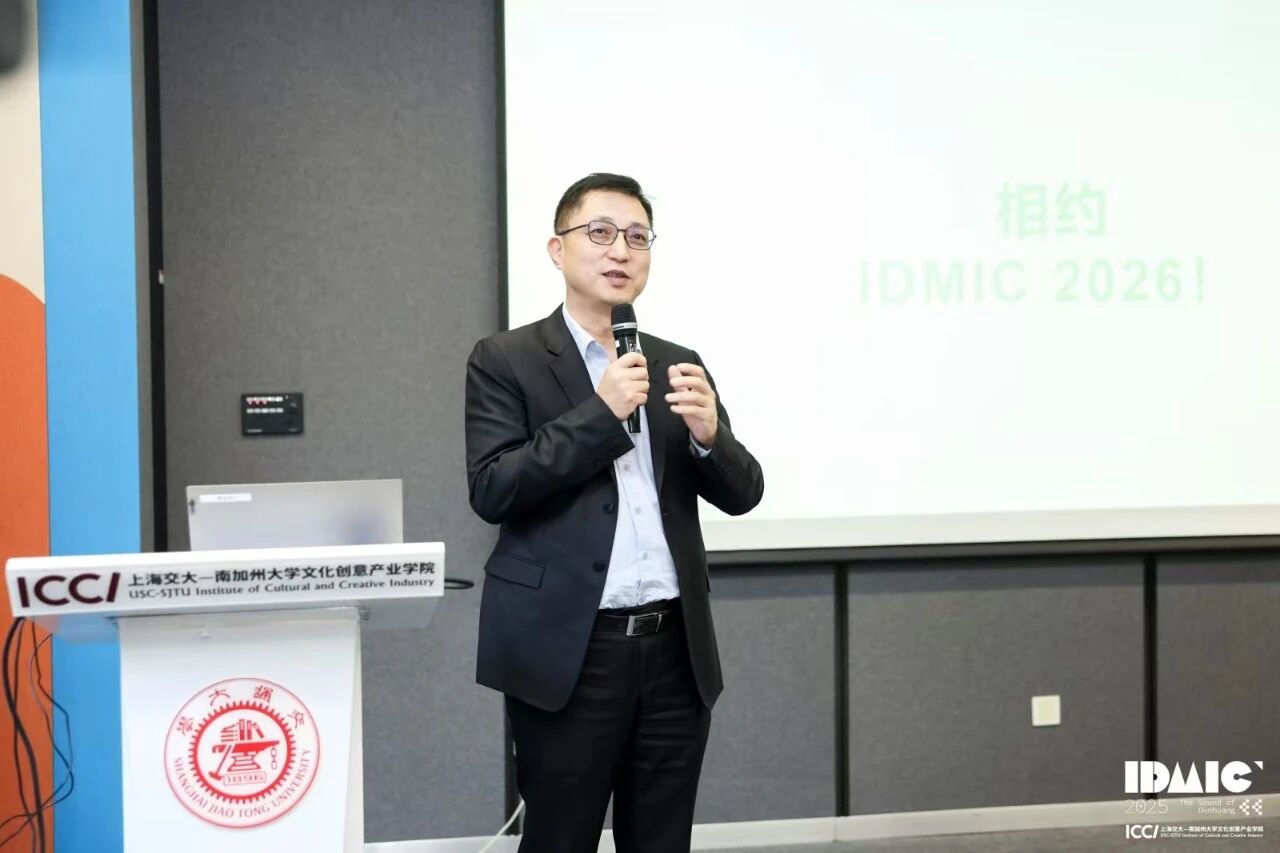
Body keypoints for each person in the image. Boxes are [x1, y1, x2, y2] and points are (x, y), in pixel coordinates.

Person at [465, 172, 764, 853]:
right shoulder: (506, 359)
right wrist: (600, 414)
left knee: (661, 840)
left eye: (637, 237)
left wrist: (710, 437)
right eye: (599, 233)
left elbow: (744, 492)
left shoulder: (677, 362)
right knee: (560, 838)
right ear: (557, 249)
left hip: (673, 650)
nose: (620, 250)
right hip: (571, 650)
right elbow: (494, 487)